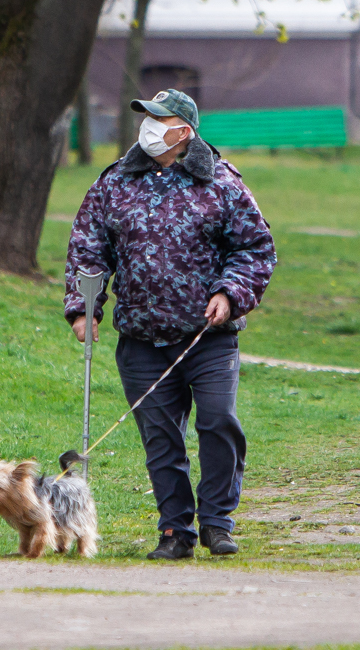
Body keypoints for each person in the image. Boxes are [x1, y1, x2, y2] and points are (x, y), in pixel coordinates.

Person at [64, 89, 276, 560]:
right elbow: (87, 247)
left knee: (219, 423)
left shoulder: (222, 181)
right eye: (145, 117)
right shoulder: (115, 181)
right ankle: (174, 531)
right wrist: (83, 308)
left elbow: (256, 249)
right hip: (140, 337)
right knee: (161, 441)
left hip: (208, 337)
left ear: (184, 129)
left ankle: (217, 524)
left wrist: (229, 293)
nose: (148, 126)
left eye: (159, 119)